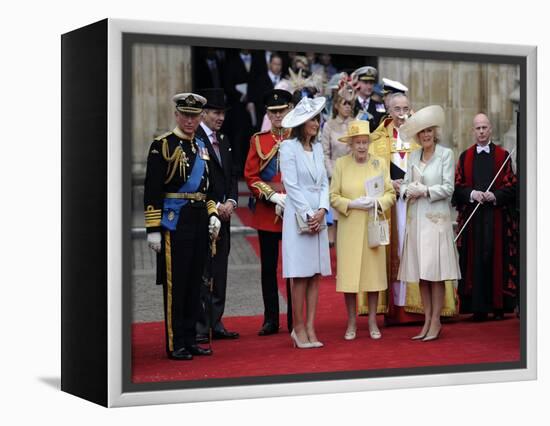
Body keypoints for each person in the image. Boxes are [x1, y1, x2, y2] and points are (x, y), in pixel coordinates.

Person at [143, 92, 221, 360]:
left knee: (195, 283)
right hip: (175, 223)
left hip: (200, 219)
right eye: (185, 115)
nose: (189, 120)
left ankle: (191, 339)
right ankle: (176, 342)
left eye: (194, 116)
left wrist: (213, 214)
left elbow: (208, 188)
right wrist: (152, 229)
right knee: (176, 284)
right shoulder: (162, 145)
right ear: (177, 115)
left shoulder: (200, 146)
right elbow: (152, 189)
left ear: (200, 118)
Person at [397, 105, 461, 341]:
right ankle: (426, 320)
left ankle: (436, 321)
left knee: (436, 273)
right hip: (416, 222)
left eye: (429, 131)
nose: (426, 135)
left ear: (435, 132)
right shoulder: (413, 156)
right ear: (418, 135)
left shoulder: (445, 154)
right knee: (423, 274)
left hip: (436, 221)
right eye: (422, 132)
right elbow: (404, 184)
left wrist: (425, 190)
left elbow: (448, 187)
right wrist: (406, 190)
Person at [330, 120, 396, 340]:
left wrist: (376, 203)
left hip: (372, 225)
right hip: (349, 227)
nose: (361, 146)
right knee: (349, 277)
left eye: (364, 142)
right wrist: (352, 204)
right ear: (350, 144)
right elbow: (333, 196)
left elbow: (390, 194)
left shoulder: (379, 163)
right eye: (357, 142)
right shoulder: (341, 164)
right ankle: (351, 324)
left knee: (373, 276)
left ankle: (372, 323)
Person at [452, 113, 518, 321]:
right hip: (473, 220)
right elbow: (458, 188)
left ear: (490, 130)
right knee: (475, 261)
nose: (481, 131)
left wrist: (494, 195)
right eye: (477, 128)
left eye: (484, 127)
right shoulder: (465, 157)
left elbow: (512, 187)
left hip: (496, 218)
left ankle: (499, 307)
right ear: (473, 131)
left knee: (496, 259)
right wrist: (472, 194)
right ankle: (477, 308)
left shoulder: (503, 156)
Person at [280, 96, 332, 348]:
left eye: (318, 118)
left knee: (314, 275)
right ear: (301, 123)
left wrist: (322, 209)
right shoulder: (288, 148)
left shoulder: (319, 148)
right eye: (312, 118)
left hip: (318, 216)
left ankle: (311, 327)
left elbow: (324, 183)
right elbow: (291, 185)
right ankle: (297, 328)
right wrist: (309, 214)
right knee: (299, 275)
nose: (317, 122)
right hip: (299, 216)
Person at [244, 89, 294, 336]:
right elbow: (250, 176)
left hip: (295, 210)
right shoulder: (258, 140)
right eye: (273, 112)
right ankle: (271, 319)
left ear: (290, 110)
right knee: (268, 269)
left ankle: (296, 319)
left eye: (281, 111)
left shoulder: (298, 137)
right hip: (267, 211)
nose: (277, 116)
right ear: (267, 113)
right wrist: (271, 195)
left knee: (295, 267)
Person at [193, 88, 240, 343]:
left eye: (222, 113)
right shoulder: (195, 138)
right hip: (204, 214)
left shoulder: (224, 139)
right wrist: (215, 205)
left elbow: (232, 174)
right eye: (215, 112)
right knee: (203, 270)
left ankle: (216, 320)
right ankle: (201, 325)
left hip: (225, 214)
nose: (220, 117)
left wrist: (231, 201)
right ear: (204, 114)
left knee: (220, 269)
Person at [321, 91, 353, 246]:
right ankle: (332, 240)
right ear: (336, 105)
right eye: (344, 103)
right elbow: (325, 152)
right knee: (334, 212)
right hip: (333, 171)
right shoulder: (328, 125)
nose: (348, 107)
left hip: (352, 171)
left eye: (350, 104)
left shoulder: (356, 123)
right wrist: (332, 174)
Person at [351, 65, 385, 132]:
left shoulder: (379, 105)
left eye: (371, 83)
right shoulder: (351, 104)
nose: (369, 86)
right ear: (357, 83)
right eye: (365, 83)